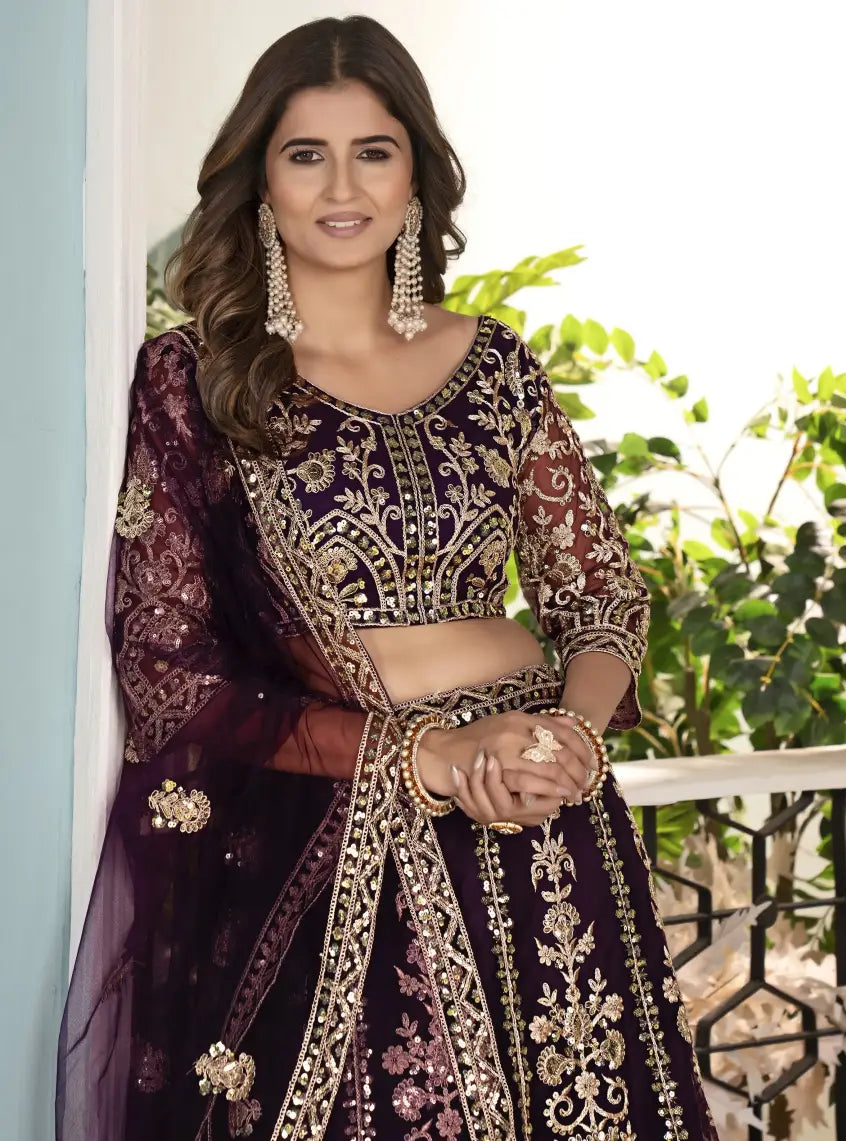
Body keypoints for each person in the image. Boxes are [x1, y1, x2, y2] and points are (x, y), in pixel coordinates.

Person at [56, 14, 719, 1141]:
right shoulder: (197, 383)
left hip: (546, 833)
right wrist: (428, 755)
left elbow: (599, 594)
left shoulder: (495, 365)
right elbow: (167, 666)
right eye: (304, 154)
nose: (341, 187)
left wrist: (567, 738)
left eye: (373, 150)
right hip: (338, 831)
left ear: (416, 174)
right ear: (259, 180)